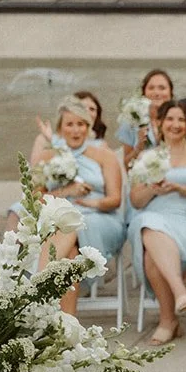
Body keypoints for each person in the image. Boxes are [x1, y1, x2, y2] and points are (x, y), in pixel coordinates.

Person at [31, 96, 126, 316]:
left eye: (81, 124)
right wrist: (66, 192)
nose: (76, 130)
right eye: (70, 124)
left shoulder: (105, 156)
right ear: (60, 128)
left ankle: (37, 283)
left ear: (88, 126)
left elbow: (115, 199)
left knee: (69, 224)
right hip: (59, 218)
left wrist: (94, 202)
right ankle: (67, 325)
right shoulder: (47, 156)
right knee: (69, 257)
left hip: (100, 217)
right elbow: (35, 199)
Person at [128, 100, 186, 345]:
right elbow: (136, 201)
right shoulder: (148, 156)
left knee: (150, 245)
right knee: (148, 223)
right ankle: (177, 296)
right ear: (160, 124)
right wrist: (152, 189)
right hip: (154, 215)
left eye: (181, 120)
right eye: (170, 119)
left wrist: (179, 188)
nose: (176, 124)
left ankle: (168, 320)